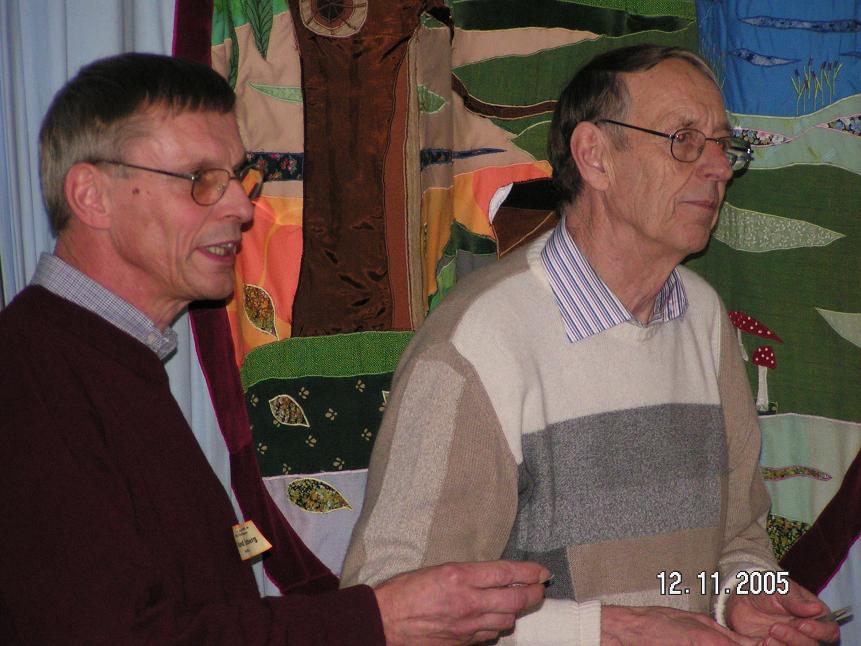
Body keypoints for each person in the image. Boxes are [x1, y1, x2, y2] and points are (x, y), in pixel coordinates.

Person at [0, 52, 549, 645]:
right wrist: (378, 621)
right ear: (91, 196)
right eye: (201, 180)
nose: (241, 207)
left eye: (239, 177)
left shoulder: (102, 359)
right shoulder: (28, 378)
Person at [342, 45, 840, 645]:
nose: (719, 168)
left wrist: (743, 596)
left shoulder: (704, 318)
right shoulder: (475, 344)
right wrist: (609, 630)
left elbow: (738, 540)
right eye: (684, 139)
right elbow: (393, 605)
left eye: (723, 145)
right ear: (595, 156)